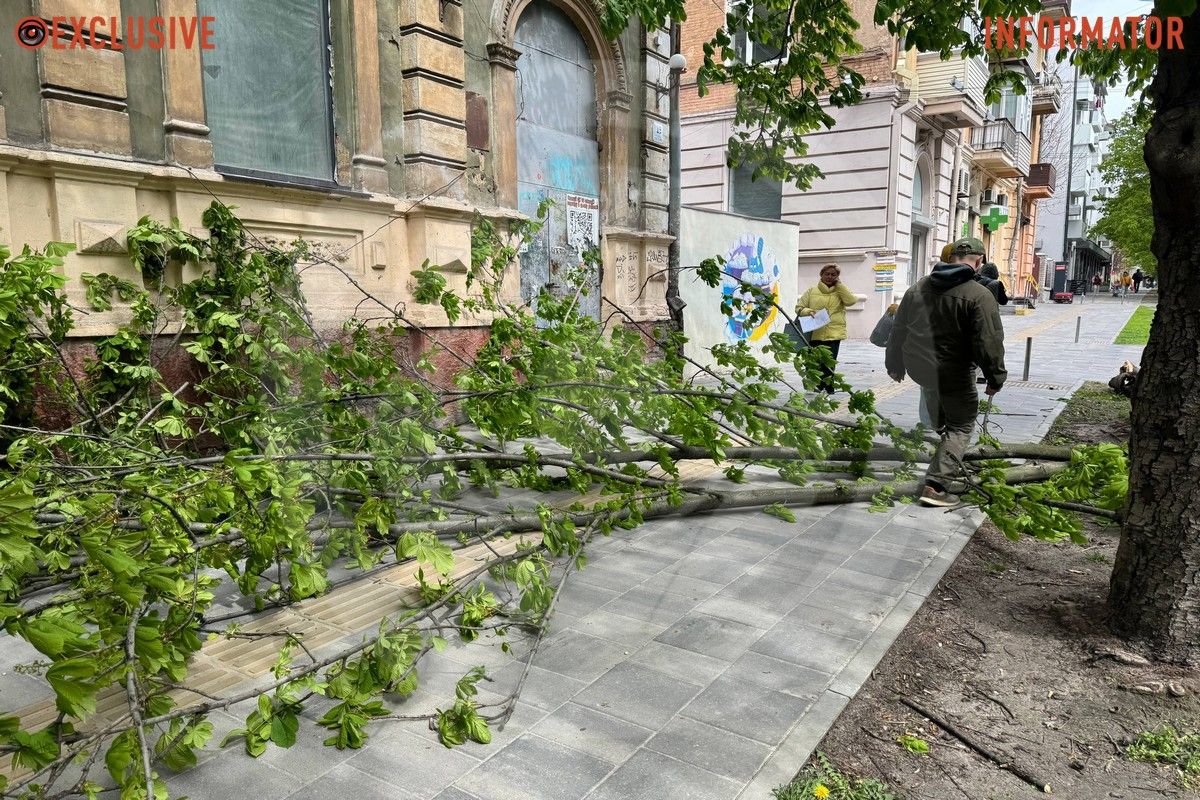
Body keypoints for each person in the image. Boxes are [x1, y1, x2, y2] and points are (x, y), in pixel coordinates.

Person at [886, 237, 1007, 507]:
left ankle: (944, 446)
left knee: (939, 413)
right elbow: (989, 341)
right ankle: (937, 486)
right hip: (954, 372)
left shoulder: (917, 288)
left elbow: (898, 330)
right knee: (962, 424)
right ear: (980, 262)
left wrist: (894, 364)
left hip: (920, 368)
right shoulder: (979, 294)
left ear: (950, 258)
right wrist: (995, 377)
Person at [796, 263, 860, 393]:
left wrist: (840, 285)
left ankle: (828, 388)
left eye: (833, 274)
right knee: (813, 362)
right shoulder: (811, 291)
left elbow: (851, 301)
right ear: (821, 275)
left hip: (833, 333)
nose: (830, 277)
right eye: (827, 274)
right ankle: (815, 386)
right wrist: (809, 311)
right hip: (814, 332)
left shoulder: (840, 291)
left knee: (829, 363)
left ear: (837, 277)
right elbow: (799, 308)